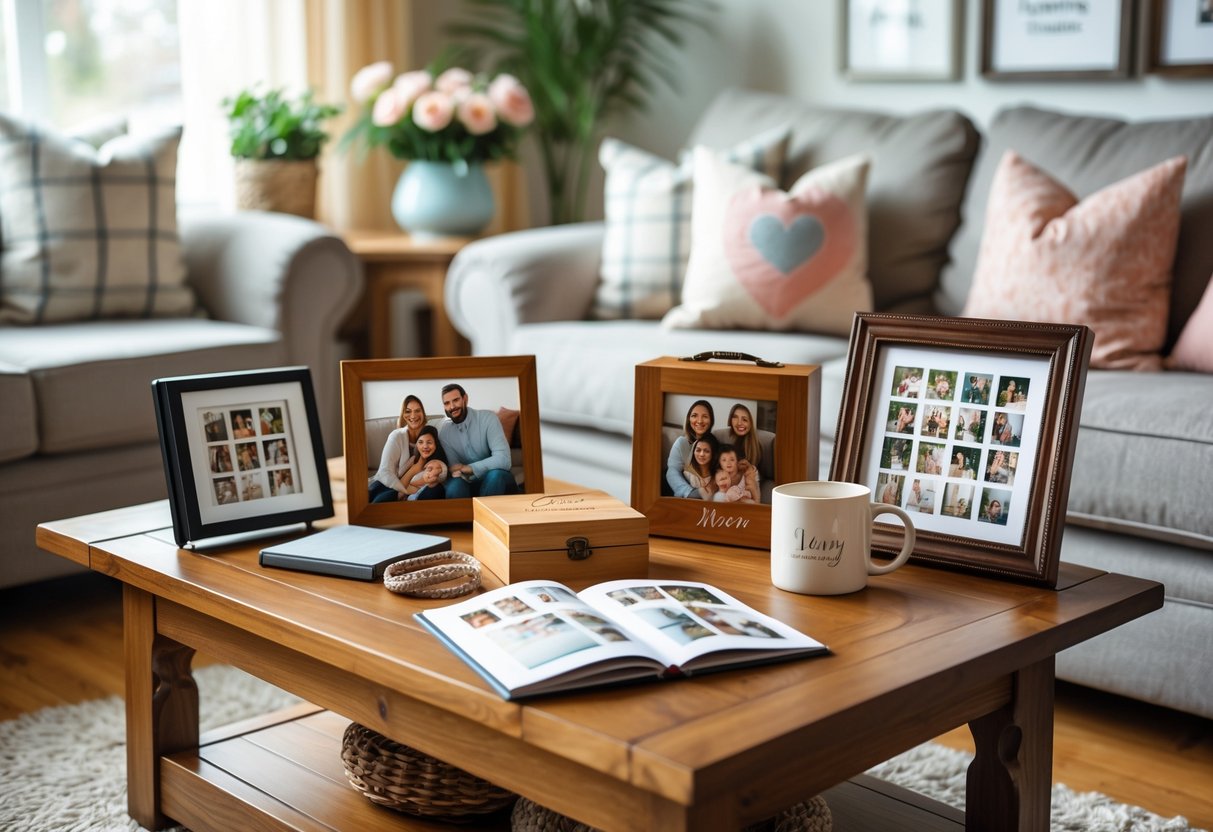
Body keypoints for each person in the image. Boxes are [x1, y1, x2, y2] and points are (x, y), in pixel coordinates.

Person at [437, 383, 517, 499]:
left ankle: (485, 516)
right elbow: (455, 468)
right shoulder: (444, 433)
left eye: (456, 400)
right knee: (455, 486)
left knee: (495, 476)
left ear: (465, 399)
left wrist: (471, 468)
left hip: (496, 479)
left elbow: (504, 459)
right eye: (447, 403)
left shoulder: (488, 418)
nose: (452, 406)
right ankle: (461, 517)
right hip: (466, 481)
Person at [368, 394, 431, 502]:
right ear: (403, 414)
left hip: (416, 486)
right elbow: (385, 472)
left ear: (423, 413)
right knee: (380, 502)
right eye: (408, 411)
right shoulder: (397, 436)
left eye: (417, 411)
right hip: (388, 484)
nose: (413, 415)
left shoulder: (430, 435)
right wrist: (404, 490)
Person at [666, 400, 714, 497]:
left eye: (705, 416)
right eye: (694, 415)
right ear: (689, 419)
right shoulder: (681, 443)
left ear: (711, 420)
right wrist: (690, 492)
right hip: (686, 494)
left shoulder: (715, 443)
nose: (699, 421)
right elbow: (672, 472)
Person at [725, 403, 763, 491]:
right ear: (730, 420)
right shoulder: (723, 439)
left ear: (750, 423)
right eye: (735, 417)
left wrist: (750, 469)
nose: (739, 423)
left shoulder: (757, 447)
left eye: (745, 420)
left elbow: (759, 478)